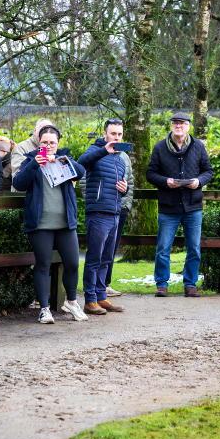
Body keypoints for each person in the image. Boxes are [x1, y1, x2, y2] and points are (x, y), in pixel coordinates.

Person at [12, 125, 88, 324]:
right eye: (44, 142)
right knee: (43, 264)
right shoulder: (30, 160)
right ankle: (44, 309)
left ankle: (71, 302)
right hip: (41, 224)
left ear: (58, 143)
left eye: (52, 142)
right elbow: (19, 183)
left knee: (72, 263)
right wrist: (34, 164)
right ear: (39, 143)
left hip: (65, 223)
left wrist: (63, 160)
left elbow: (81, 172)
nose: (48, 146)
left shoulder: (65, 158)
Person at [146, 112, 213, 298]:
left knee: (194, 248)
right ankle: (161, 285)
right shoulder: (160, 147)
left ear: (188, 126)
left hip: (193, 206)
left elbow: (208, 171)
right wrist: (165, 181)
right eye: (175, 123)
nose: (178, 126)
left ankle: (190, 284)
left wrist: (198, 182)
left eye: (182, 123)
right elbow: (150, 174)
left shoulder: (198, 146)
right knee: (163, 248)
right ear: (171, 126)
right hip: (168, 207)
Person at [78, 118, 129, 315]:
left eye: (119, 134)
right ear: (105, 134)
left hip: (115, 213)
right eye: (113, 133)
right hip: (98, 212)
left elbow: (121, 187)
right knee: (94, 258)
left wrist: (124, 189)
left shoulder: (120, 158)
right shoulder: (94, 150)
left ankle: (101, 296)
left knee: (107, 258)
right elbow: (81, 163)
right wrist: (103, 150)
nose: (116, 137)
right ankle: (90, 300)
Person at [11, 118, 59, 190]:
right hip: (24, 194)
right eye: (42, 130)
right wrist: (34, 163)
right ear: (35, 131)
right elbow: (17, 176)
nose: (45, 133)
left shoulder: (52, 148)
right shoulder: (21, 148)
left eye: (49, 130)